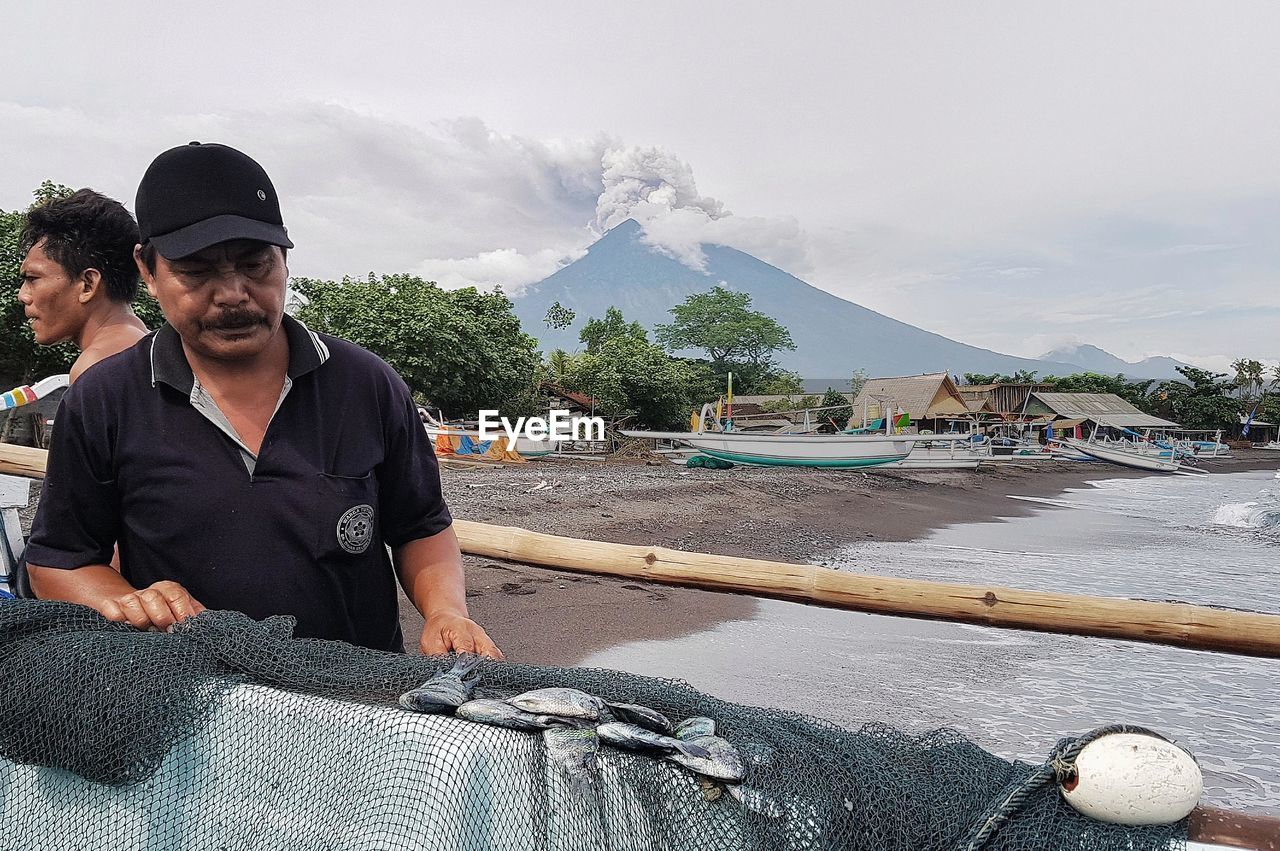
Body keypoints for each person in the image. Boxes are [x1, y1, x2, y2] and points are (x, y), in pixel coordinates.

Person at [24, 142, 500, 658]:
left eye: (256, 265)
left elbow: (421, 526)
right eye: (198, 271)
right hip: (191, 705)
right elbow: (58, 561)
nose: (233, 293)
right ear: (147, 268)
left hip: (361, 705)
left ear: (285, 259)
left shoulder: (367, 385)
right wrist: (130, 600)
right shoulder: (104, 400)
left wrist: (446, 611)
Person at [18, 189, 150, 383]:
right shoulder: (147, 346)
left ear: (87, 284)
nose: (23, 295)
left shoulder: (98, 365)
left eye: (32, 278)